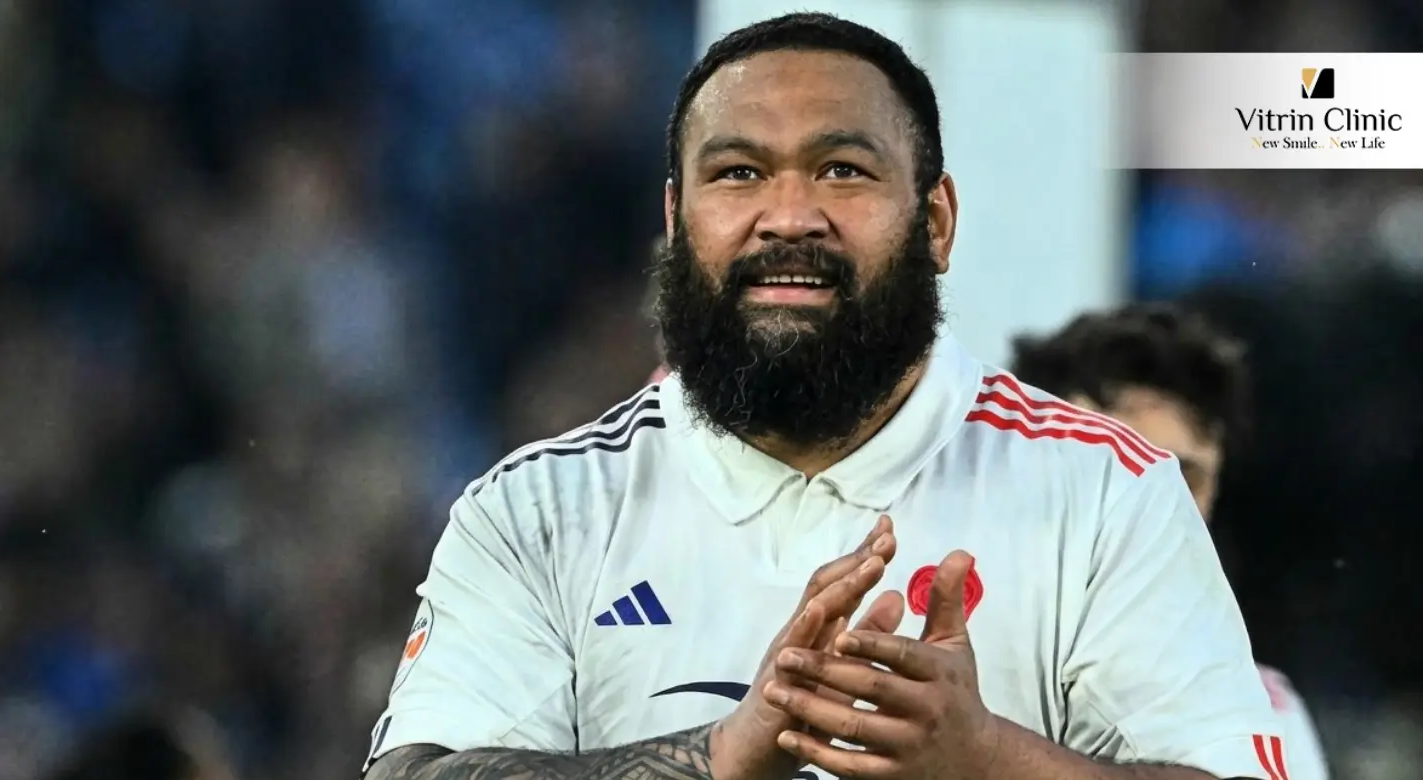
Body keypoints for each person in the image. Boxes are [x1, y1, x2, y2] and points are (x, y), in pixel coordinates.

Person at [364, 13, 1284, 780]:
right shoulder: (537, 512)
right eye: (738, 173)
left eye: (843, 170)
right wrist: (723, 755)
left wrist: (990, 759)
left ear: (935, 222)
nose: (790, 217)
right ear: (676, 222)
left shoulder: (1107, 492)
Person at [1009, 301, 1329, 780]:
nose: (1154, 506)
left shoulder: (1268, 717)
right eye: (1112, 471)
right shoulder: (935, 673)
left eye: (1185, 478)